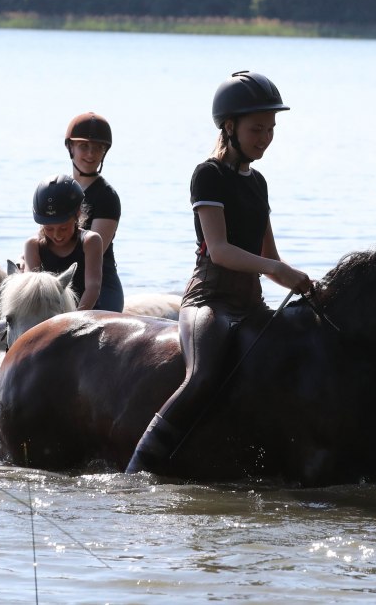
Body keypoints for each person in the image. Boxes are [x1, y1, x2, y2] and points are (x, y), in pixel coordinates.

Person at [125, 70, 313, 474]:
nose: (265, 138)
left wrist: (305, 284)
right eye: (256, 129)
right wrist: (276, 267)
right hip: (210, 299)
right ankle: (141, 466)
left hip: (251, 302)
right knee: (203, 376)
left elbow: (269, 254)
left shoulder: (258, 183)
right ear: (230, 127)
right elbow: (222, 251)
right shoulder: (208, 174)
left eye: (271, 129)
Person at [65, 111, 125, 312]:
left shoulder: (107, 196)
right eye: (84, 146)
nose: (90, 154)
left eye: (97, 148)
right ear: (70, 147)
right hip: (63, 280)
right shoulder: (59, 189)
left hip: (99, 284)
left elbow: (93, 253)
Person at [22, 174, 105, 312]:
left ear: (77, 214)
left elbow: (93, 288)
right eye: (49, 228)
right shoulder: (33, 246)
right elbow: (32, 291)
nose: (57, 235)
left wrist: (72, 321)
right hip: (46, 317)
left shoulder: (91, 241)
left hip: (85, 315)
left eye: (63, 228)